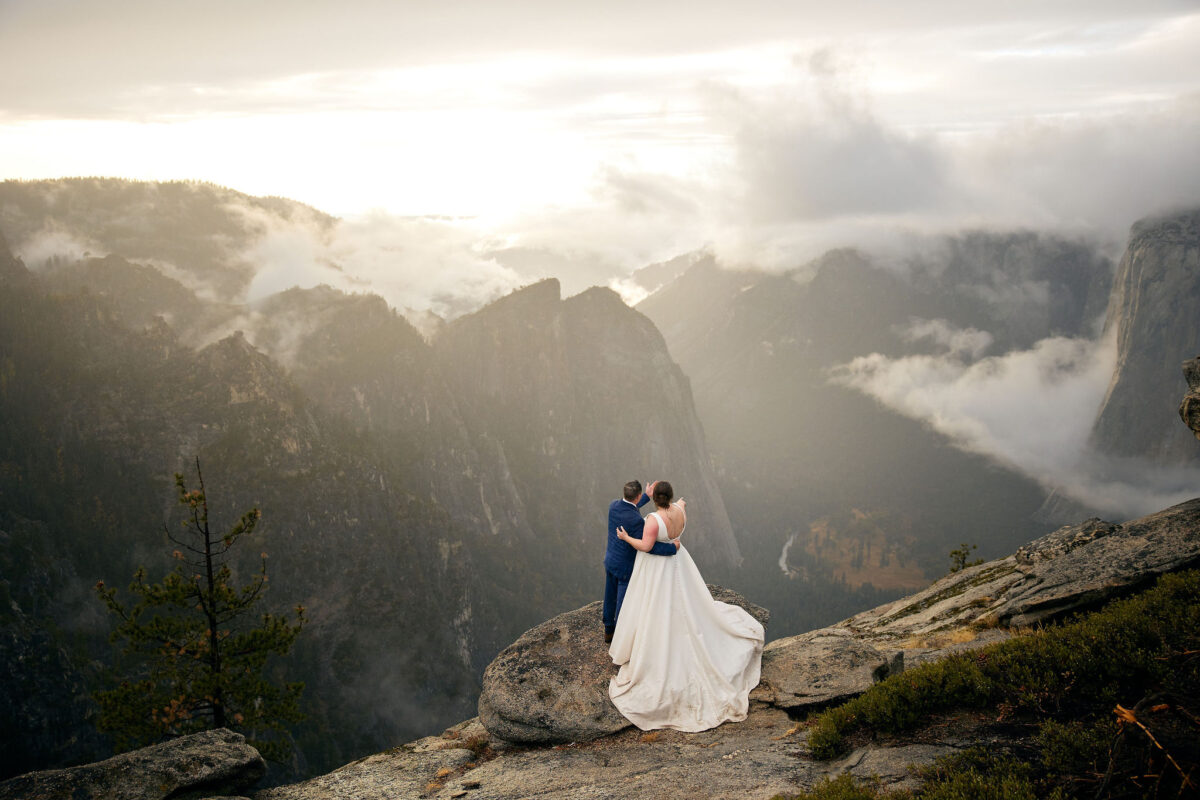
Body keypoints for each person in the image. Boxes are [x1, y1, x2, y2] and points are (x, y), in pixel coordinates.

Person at [608, 480, 764, 732]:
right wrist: (677, 511)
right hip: (680, 564)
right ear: (669, 497)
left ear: (655, 499)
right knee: (687, 603)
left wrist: (626, 538)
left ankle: (657, 642)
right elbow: (681, 506)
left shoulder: (652, 520)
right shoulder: (680, 510)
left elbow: (646, 547)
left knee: (656, 606)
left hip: (657, 571)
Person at [603, 479, 680, 643]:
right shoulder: (637, 521)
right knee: (623, 605)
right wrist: (672, 548)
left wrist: (647, 495)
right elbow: (648, 546)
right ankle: (620, 641)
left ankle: (608, 630)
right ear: (637, 496)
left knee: (609, 596)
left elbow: (630, 508)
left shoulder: (613, 506)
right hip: (625, 567)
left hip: (610, 561)